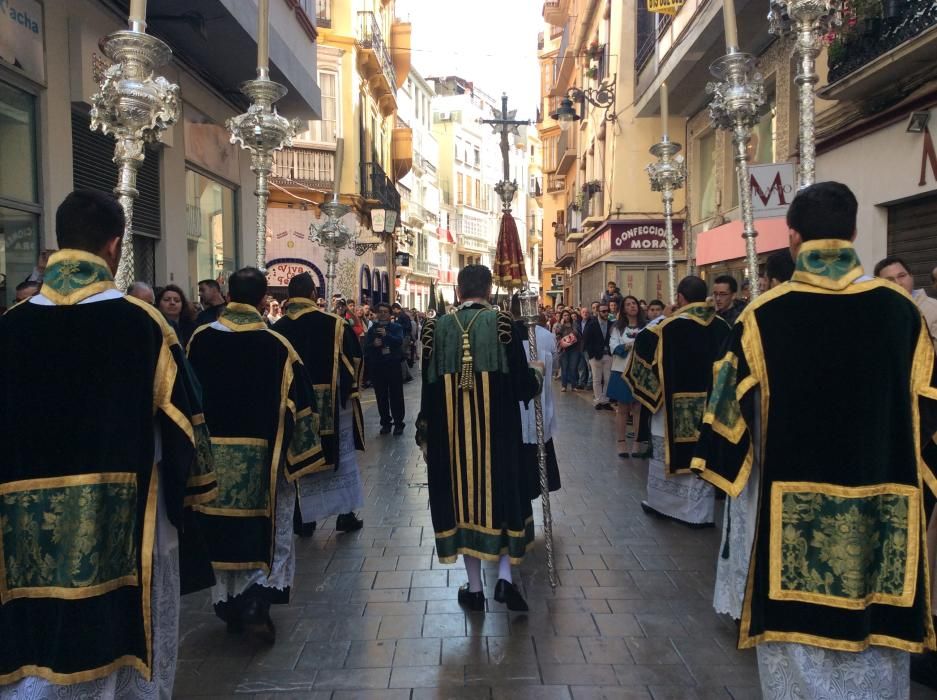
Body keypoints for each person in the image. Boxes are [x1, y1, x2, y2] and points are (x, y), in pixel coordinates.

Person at [692, 182, 937, 699]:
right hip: (882, 514)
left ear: (794, 236)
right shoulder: (903, 314)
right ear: (852, 231)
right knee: (875, 646)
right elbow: (929, 417)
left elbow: (723, 421)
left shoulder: (761, 317)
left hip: (791, 516)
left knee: (797, 656)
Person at [0, 190, 216, 697]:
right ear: (115, 246)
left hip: (20, 523)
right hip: (122, 516)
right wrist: (197, 488)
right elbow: (186, 424)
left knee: (35, 633)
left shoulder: (9, 328)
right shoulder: (143, 325)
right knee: (121, 639)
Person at [187, 267, 326, 644]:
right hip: (264, 461)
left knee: (222, 531)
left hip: (212, 462)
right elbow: (302, 404)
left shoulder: (199, 341)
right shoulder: (276, 346)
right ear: (264, 299)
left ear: (228, 294)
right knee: (268, 531)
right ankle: (257, 601)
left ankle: (229, 604)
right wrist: (303, 457)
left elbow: (185, 402)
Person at [416, 265, 544, 612]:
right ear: (488, 290)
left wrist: (425, 431)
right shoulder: (504, 325)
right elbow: (522, 387)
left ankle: (474, 589)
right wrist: (537, 372)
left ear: (458, 292)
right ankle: (503, 579)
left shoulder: (435, 329)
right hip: (498, 437)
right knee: (501, 500)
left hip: (449, 439)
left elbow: (428, 390)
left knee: (461, 505)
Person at [624, 276, 730, 527]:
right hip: (709, 409)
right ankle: (698, 514)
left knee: (666, 455)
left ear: (680, 298)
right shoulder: (723, 326)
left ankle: (663, 504)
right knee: (700, 457)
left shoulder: (667, 327)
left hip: (671, 409)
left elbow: (642, 343)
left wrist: (663, 316)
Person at [273, 273, 366, 536]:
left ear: (290, 296)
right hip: (333, 406)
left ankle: (303, 519)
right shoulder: (335, 325)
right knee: (341, 460)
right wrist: (352, 389)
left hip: (293, 407)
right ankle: (345, 516)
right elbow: (355, 360)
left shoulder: (277, 329)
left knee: (300, 461)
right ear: (314, 295)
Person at [511, 299, 561, 502]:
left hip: (518, 412)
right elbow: (555, 365)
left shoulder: (505, 336)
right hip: (538, 407)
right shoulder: (547, 336)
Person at [608, 296, 646, 458]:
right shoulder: (618, 328)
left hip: (640, 371)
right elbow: (614, 347)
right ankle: (621, 442)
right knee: (622, 409)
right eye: (628, 304)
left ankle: (638, 442)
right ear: (623, 309)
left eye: (634, 303)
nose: (632, 306)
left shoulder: (646, 327)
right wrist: (630, 345)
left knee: (638, 408)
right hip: (622, 371)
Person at [364, 302, 406, 435]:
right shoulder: (372, 330)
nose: (382, 314)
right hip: (378, 367)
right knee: (381, 396)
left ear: (390, 314)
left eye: (385, 312)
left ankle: (398, 423)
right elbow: (366, 348)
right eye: (380, 311)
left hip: (393, 365)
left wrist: (386, 335)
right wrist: (373, 344)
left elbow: (399, 341)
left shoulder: (396, 327)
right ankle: (385, 422)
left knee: (396, 395)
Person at [874, 255, 937, 343]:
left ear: (911, 276)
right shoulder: (874, 314)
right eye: (889, 280)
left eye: (902, 276)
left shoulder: (934, 309)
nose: (898, 283)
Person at [583, 302, 614, 410]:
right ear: (598, 312)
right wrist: (591, 355)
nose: (606, 313)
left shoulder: (611, 324)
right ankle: (598, 400)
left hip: (608, 355)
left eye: (607, 311)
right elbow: (586, 341)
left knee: (607, 379)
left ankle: (605, 400)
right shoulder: (592, 324)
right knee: (596, 379)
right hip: (596, 356)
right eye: (603, 311)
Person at [553, 309, 580, 392]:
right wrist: (561, 325)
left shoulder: (574, 324)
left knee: (573, 367)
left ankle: (573, 386)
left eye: (568, 315)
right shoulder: (559, 325)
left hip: (574, 349)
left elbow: (577, 333)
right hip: (563, 349)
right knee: (564, 368)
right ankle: (564, 386)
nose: (566, 317)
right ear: (562, 317)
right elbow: (557, 334)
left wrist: (569, 337)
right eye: (564, 315)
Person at [393, 302, 414, 382]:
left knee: (401, 356)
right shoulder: (401, 315)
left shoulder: (402, 316)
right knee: (402, 357)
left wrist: (397, 325)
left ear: (395, 308)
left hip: (404, 337)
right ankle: (407, 375)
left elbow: (408, 327)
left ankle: (404, 376)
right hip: (404, 337)